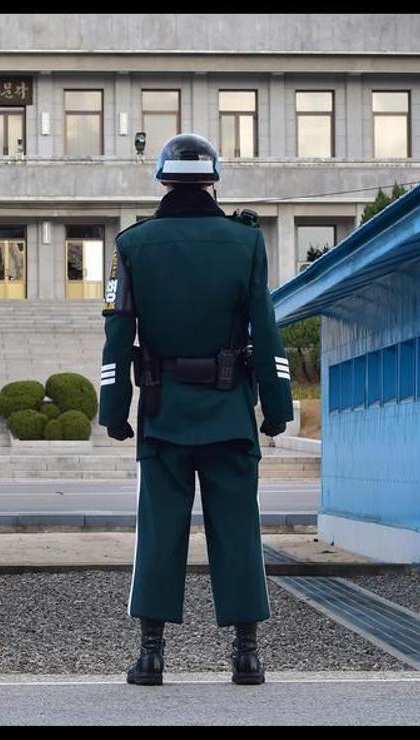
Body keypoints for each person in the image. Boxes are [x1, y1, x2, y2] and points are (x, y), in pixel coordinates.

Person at [99, 133, 294, 686]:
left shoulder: (132, 245)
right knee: (238, 528)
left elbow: (118, 335)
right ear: (213, 181)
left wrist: (114, 410)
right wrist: (276, 407)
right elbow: (266, 328)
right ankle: (247, 653)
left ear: (162, 180)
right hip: (230, 410)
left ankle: (152, 654)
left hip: (163, 413)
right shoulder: (245, 242)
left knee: (159, 532)